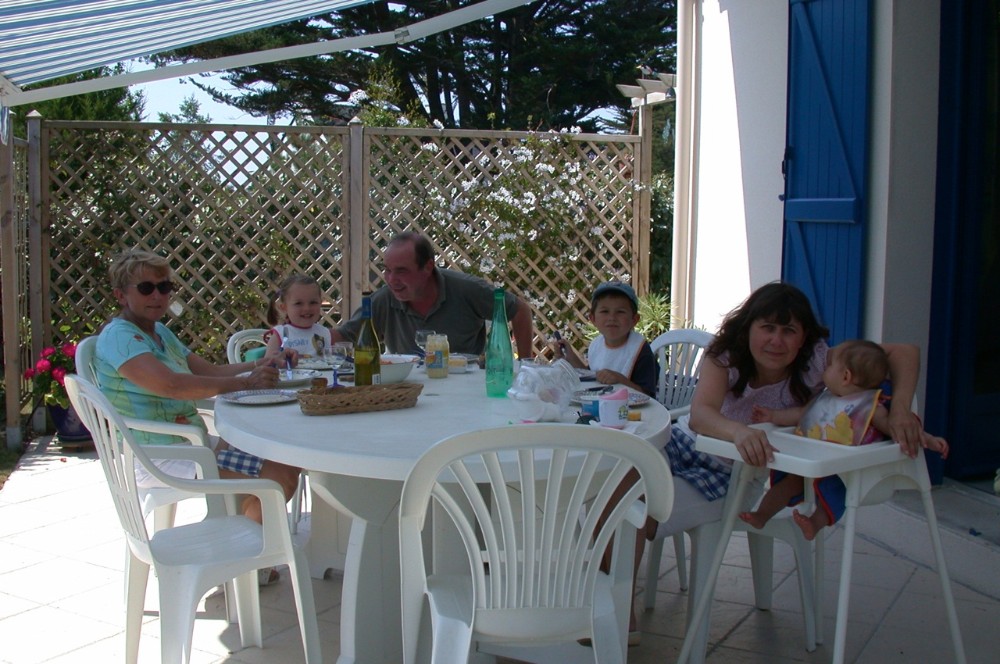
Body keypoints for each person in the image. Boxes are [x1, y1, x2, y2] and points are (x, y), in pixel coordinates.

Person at [607, 282, 928, 642]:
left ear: (804, 337)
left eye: (789, 330)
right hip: (684, 443)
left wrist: (900, 409)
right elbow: (701, 415)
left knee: (633, 507)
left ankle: (615, 612)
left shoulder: (817, 361)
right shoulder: (726, 355)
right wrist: (738, 431)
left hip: (734, 475)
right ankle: (605, 601)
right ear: (749, 328)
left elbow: (905, 352)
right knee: (615, 478)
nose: (777, 340)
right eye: (768, 327)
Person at [93, 249, 302, 584]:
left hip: (186, 443)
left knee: (283, 461)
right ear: (121, 295)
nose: (158, 295)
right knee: (279, 477)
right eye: (146, 288)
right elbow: (172, 385)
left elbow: (210, 372)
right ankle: (244, 563)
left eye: (165, 287)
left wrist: (259, 364)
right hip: (158, 454)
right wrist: (246, 383)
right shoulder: (120, 337)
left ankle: (243, 550)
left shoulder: (159, 332)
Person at [740, 339, 949, 540]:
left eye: (831, 366)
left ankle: (815, 523)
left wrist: (928, 439)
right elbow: (801, 415)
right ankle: (762, 515)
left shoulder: (870, 407)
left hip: (842, 470)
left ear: (846, 376)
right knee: (785, 485)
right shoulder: (824, 398)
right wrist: (773, 416)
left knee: (833, 493)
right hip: (812, 458)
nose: (825, 369)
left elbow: (895, 428)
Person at [331, 232, 534, 357]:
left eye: (401, 271)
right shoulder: (384, 300)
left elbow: (520, 310)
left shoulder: (466, 289)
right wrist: (310, 331)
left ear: (428, 267)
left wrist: (525, 365)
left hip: (466, 389)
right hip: (409, 391)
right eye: (388, 270)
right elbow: (343, 336)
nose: (392, 280)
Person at [549, 281, 659, 396]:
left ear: (634, 320)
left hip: (630, 407)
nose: (612, 317)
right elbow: (591, 376)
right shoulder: (597, 345)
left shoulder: (640, 350)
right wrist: (569, 358)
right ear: (593, 319)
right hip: (600, 404)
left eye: (620, 312)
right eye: (605, 311)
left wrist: (620, 379)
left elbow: (648, 396)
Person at [264, 274, 334, 358]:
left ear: (320, 303)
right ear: (284, 307)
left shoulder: (324, 333)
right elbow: (269, 362)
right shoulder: (281, 334)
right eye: (298, 303)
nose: (307, 308)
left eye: (313, 302)